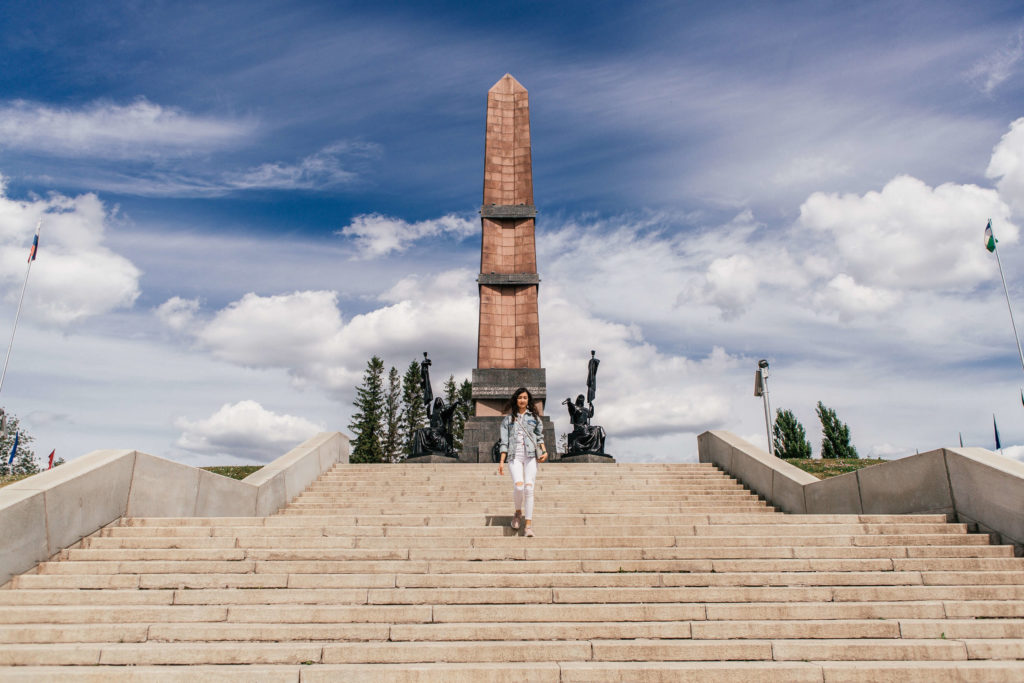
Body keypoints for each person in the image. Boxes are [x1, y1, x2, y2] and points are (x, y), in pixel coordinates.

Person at [497, 387, 548, 537]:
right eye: (520, 397)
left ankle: (528, 526)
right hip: (514, 456)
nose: (522, 400)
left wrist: (544, 451)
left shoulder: (534, 418)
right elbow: (504, 442)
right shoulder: (508, 419)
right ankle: (518, 513)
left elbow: (539, 437)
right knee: (519, 487)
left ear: (528, 400)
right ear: (516, 400)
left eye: (525, 397)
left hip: (531, 455)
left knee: (529, 487)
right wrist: (501, 461)